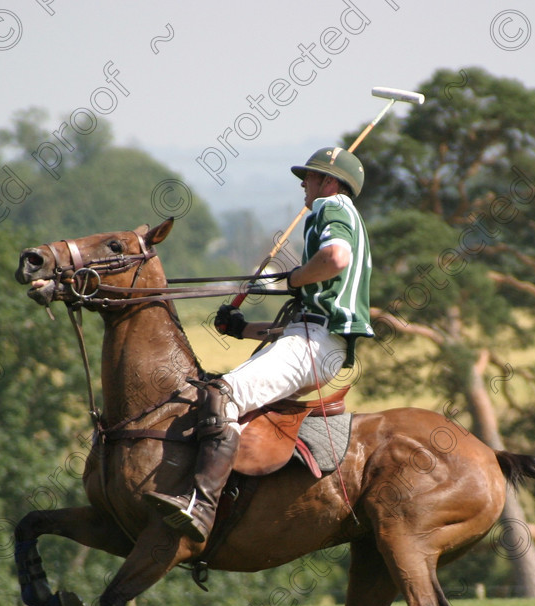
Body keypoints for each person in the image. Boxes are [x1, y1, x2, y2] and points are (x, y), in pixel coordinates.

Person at [147, 147, 374, 543]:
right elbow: (302, 323)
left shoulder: (330, 206)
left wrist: (295, 277)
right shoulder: (347, 216)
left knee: (222, 394)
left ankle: (200, 505)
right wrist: (242, 328)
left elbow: (335, 257)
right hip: (316, 340)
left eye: (311, 176)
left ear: (331, 183)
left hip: (316, 344)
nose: (304, 183)